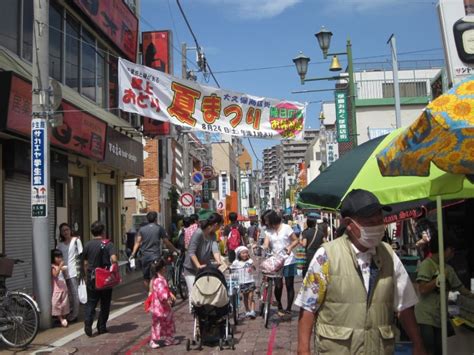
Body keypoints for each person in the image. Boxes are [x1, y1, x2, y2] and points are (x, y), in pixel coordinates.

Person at [295, 189, 426, 355]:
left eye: (380, 220)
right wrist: (303, 350)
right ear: (349, 224)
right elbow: (308, 307)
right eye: (370, 222)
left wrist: (418, 343)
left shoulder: (388, 254)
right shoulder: (327, 255)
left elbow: (404, 304)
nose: (377, 227)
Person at [415, 234, 474, 355]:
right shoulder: (427, 265)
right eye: (451, 250)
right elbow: (422, 289)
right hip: (425, 316)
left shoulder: (449, 269)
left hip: (440, 316)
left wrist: (472, 294)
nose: (453, 254)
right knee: (429, 347)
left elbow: (461, 289)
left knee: (440, 348)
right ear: (443, 249)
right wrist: (439, 280)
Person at [82, 221, 118, 337]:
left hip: (92, 276)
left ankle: (88, 322)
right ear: (103, 232)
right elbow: (114, 259)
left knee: (91, 301)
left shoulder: (88, 245)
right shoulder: (108, 244)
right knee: (105, 302)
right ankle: (101, 326)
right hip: (105, 277)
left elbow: (85, 262)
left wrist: (85, 275)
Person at [183, 212, 224, 311]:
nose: (219, 228)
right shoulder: (198, 233)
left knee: (205, 290)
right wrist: (198, 265)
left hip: (204, 267)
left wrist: (219, 261)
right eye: (220, 225)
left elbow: (215, 249)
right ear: (215, 225)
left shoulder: (213, 235)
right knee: (194, 291)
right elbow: (191, 252)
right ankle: (194, 314)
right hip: (191, 269)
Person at [262, 210, 299, 317]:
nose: (266, 223)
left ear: (272, 218)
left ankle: (288, 309)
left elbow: (295, 240)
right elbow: (266, 243)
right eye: (265, 221)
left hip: (288, 260)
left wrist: (290, 247)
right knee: (278, 285)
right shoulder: (268, 231)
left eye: (267, 220)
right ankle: (279, 306)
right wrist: (261, 247)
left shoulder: (286, 227)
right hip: (276, 261)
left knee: (289, 285)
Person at [130, 211, 179, 288]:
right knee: (158, 275)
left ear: (147, 219)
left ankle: (150, 294)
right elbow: (166, 242)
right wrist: (175, 250)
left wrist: (133, 253)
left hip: (145, 256)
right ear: (156, 218)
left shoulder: (142, 229)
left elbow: (138, 242)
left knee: (146, 278)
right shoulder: (159, 228)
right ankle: (157, 293)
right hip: (155, 256)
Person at [148, 258, 178, 349]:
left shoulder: (159, 279)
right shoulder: (158, 280)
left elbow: (166, 290)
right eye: (164, 266)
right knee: (157, 323)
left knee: (168, 322)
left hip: (163, 307)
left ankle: (169, 338)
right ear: (161, 268)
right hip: (159, 307)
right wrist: (167, 298)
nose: (165, 268)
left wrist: (170, 294)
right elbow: (162, 293)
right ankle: (153, 340)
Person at [57, 222, 83, 322]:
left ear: (70, 230)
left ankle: (75, 315)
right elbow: (57, 258)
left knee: (74, 293)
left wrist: (82, 271)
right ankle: (69, 311)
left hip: (73, 271)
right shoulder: (60, 245)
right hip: (63, 272)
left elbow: (81, 255)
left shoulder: (76, 241)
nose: (65, 232)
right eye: (63, 231)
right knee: (67, 294)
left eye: (67, 230)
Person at [231, 246, 256, 319]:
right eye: (243, 253)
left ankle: (252, 310)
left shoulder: (250, 261)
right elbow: (232, 268)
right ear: (239, 254)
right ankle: (247, 310)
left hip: (250, 280)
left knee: (251, 296)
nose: (245, 254)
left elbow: (254, 267)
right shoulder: (236, 262)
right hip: (242, 282)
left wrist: (252, 267)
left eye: (246, 253)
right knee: (245, 297)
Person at [51, 249, 70, 328]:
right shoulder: (52, 266)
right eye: (57, 257)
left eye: (60, 257)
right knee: (55, 304)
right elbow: (55, 274)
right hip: (56, 289)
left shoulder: (61, 266)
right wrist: (59, 267)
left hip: (64, 287)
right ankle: (61, 319)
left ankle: (63, 318)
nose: (59, 259)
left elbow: (64, 276)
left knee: (64, 304)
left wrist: (64, 269)